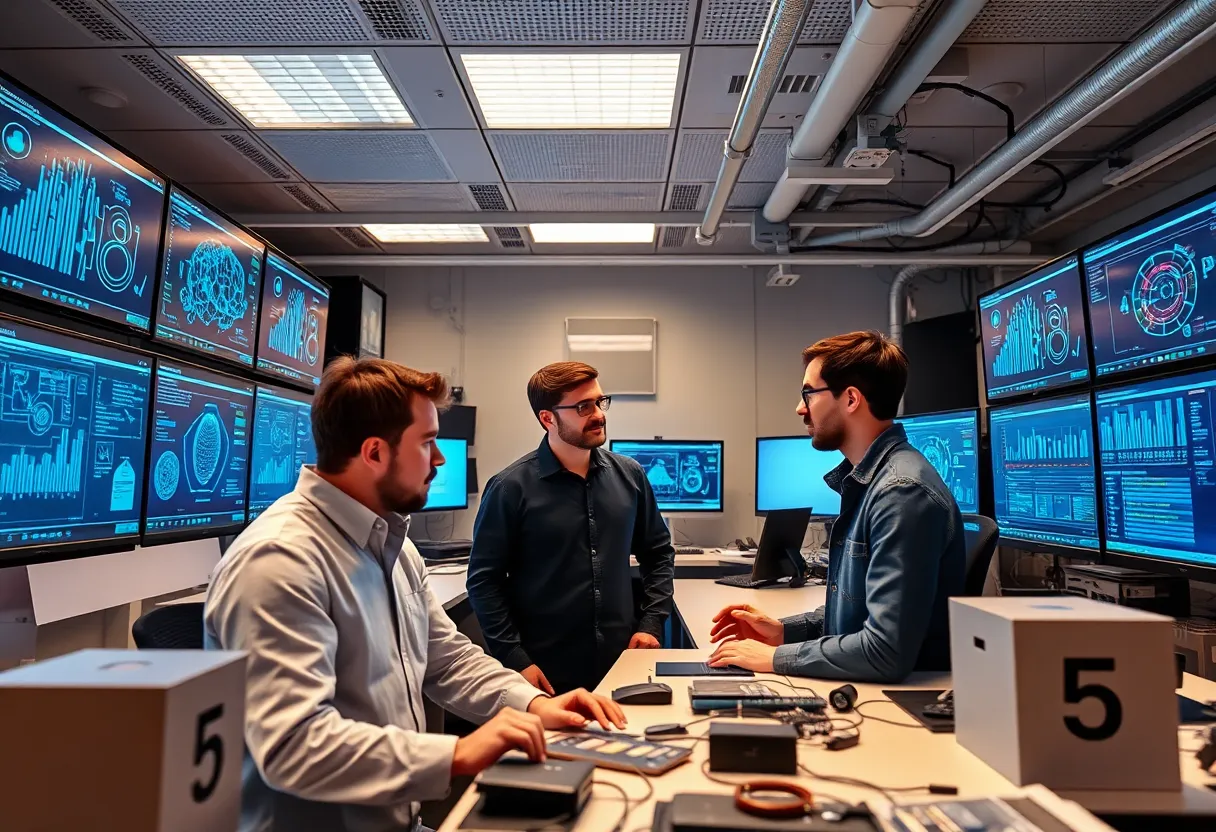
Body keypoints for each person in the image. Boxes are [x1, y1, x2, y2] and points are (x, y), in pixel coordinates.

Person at [204, 357, 626, 832]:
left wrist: (533, 704)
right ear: (374, 453)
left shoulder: (392, 544)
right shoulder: (280, 562)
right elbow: (293, 746)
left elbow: (444, 658)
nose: (441, 459)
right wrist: (458, 753)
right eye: (428, 443)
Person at [708, 331, 964, 683]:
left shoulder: (901, 493)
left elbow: (884, 651)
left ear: (851, 399)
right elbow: (856, 611)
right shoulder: (872, 482)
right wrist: (783, 630)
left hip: (892, 705)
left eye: (808, 394)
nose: (800, 407)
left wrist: (776, 657)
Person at [467, 361, 676, 694]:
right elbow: (484, 580)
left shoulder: (631, 475)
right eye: (583, 407)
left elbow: (658, 552)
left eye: (599, 402)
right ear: (547, 418)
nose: (598, 414)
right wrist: (514, 657)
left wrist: (651, 623)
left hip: (621, 662)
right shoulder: (510, 488)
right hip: (545, 670)